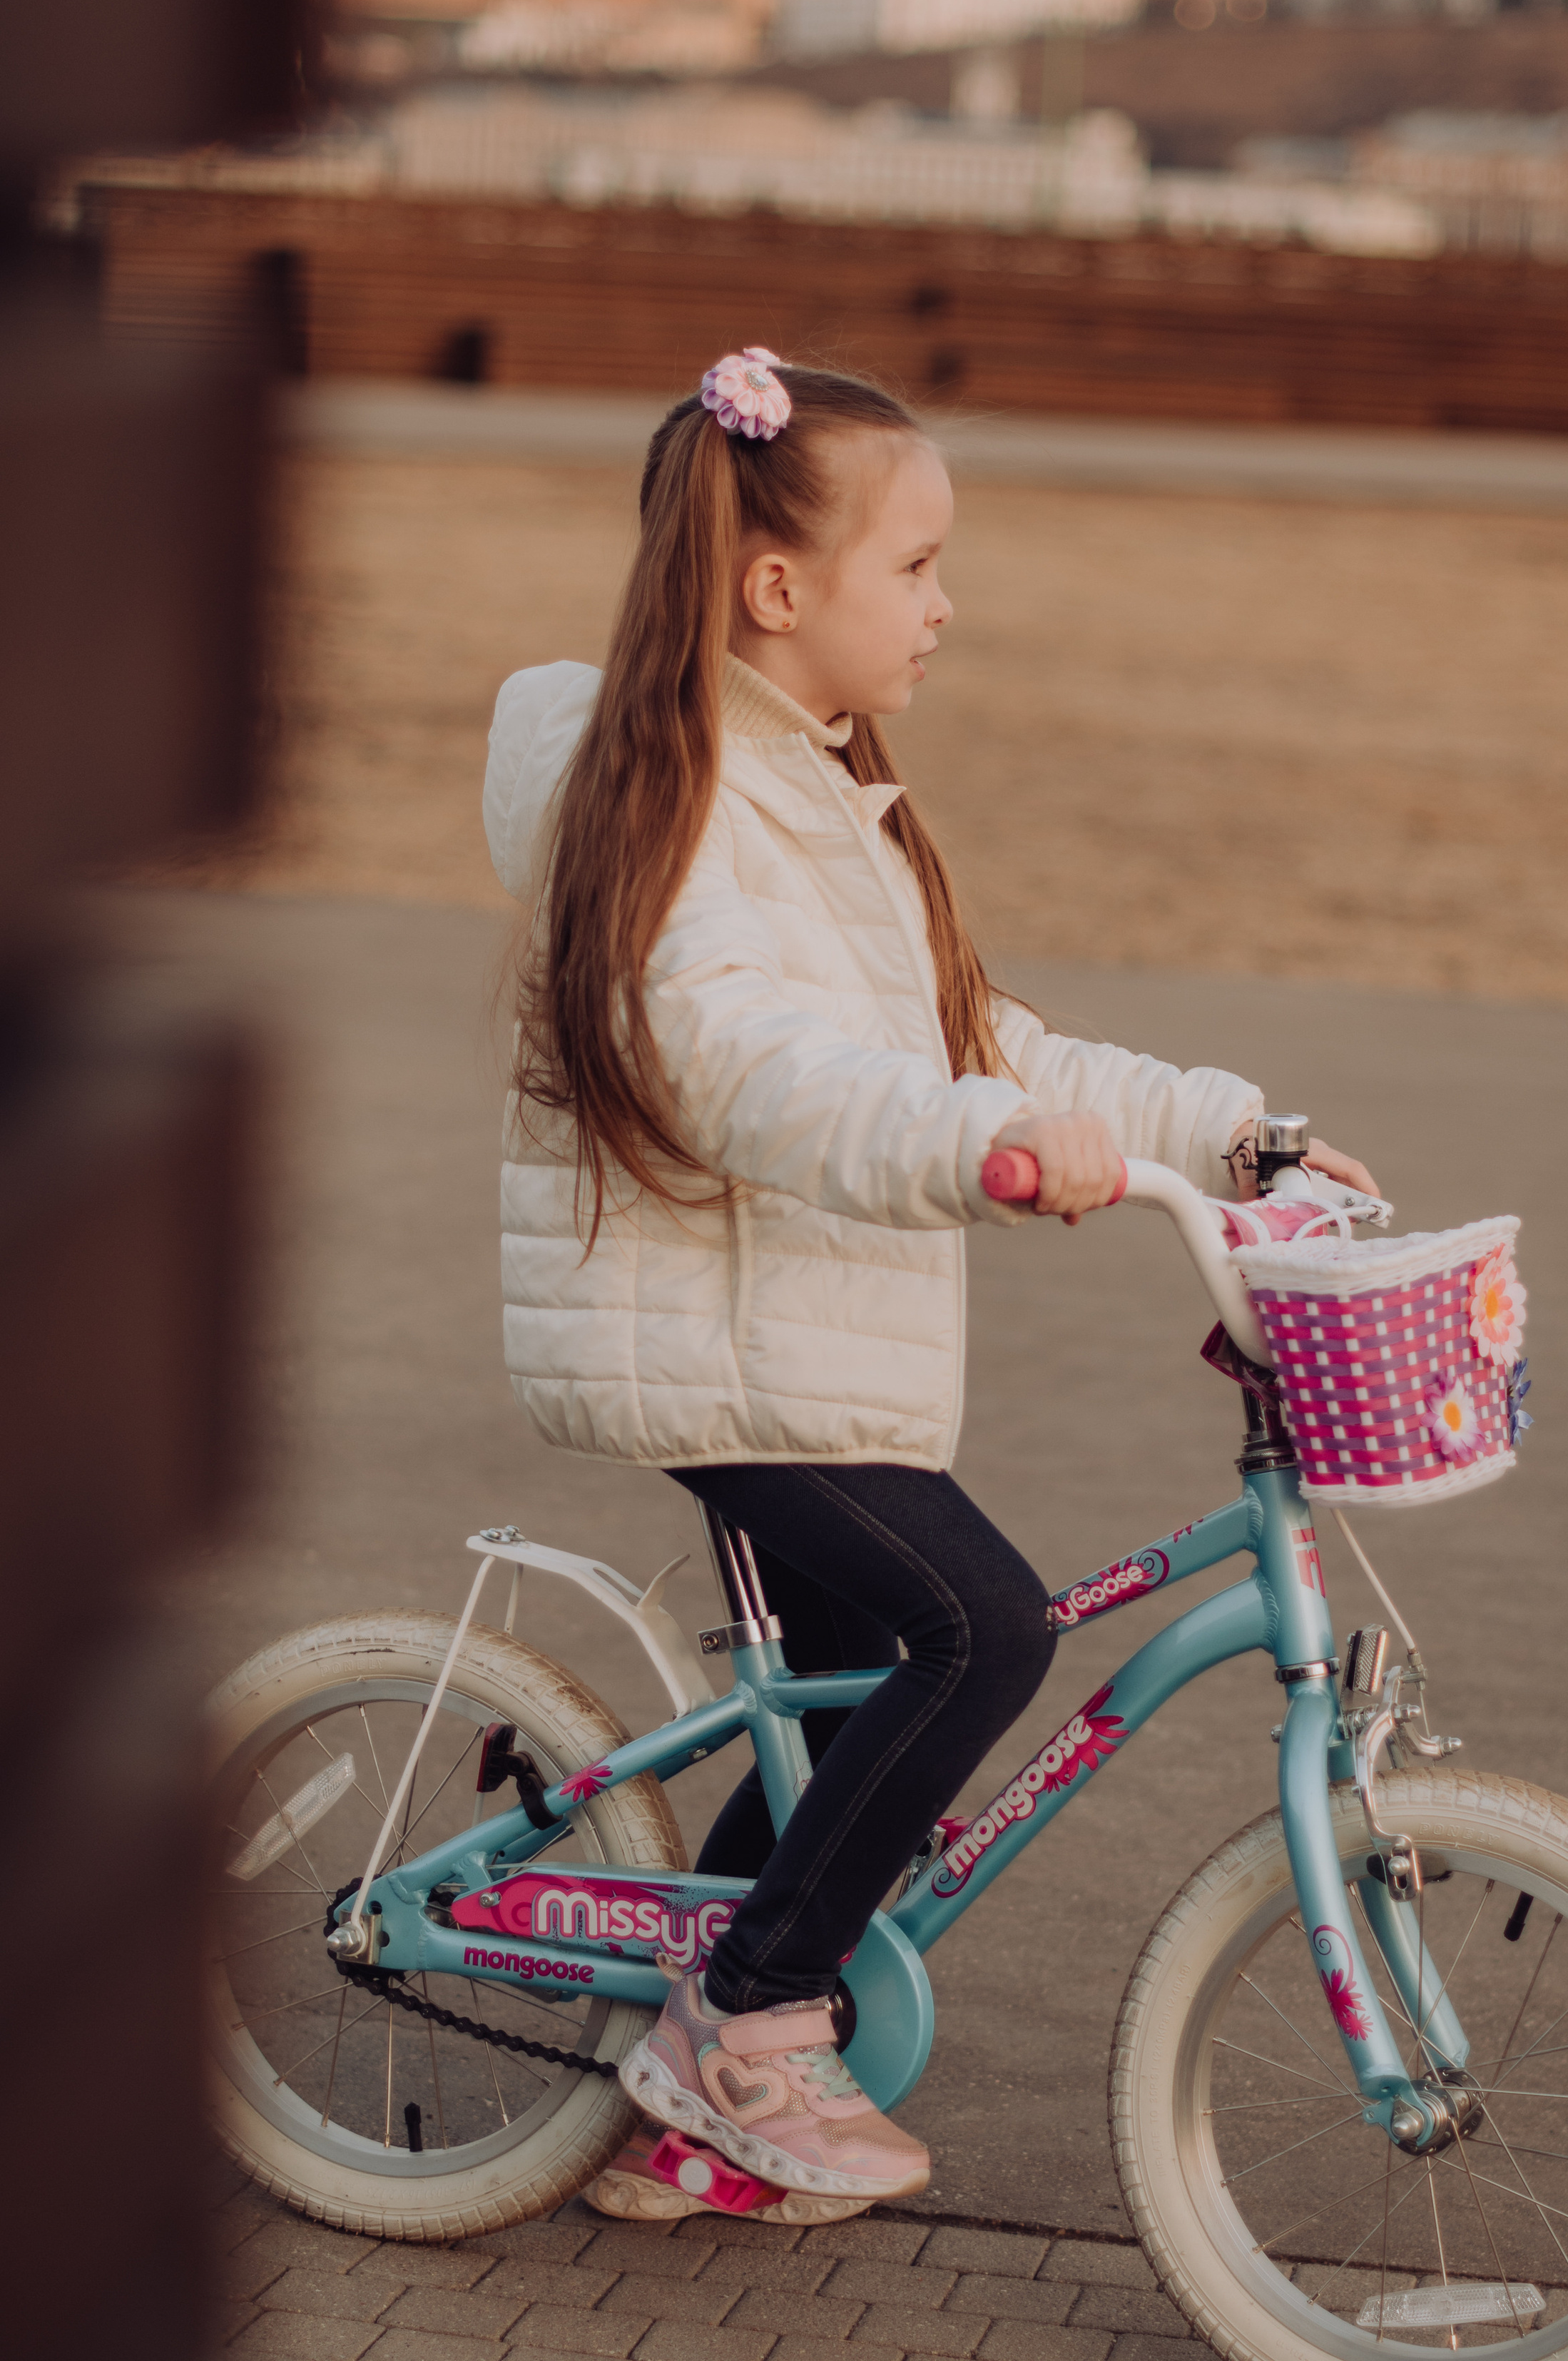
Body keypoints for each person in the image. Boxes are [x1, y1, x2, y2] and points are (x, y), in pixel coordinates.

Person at [482, 348, 1376, 2225]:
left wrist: (1231, 1135)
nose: (948, 605)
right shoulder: (675, 807)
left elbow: (986, 1037)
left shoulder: (825, 796)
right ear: (776, 588)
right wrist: (973, 1146)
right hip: (714, 1351)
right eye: (918, 565)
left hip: (799, 1343)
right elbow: (745, 1067)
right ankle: (744, 2030)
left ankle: (690, 2085)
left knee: (860, 1690)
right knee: (981, 1630)